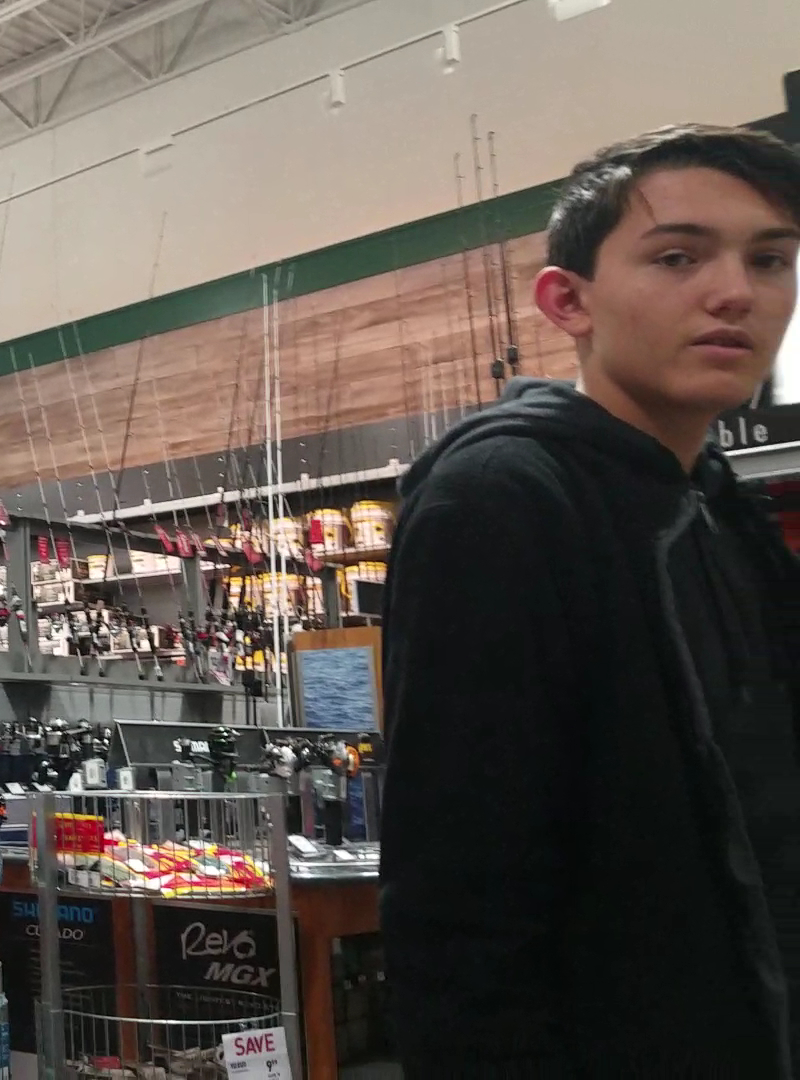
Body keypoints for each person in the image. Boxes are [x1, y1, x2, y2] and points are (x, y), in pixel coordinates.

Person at [379, 123, 800, 1077]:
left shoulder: (722, 508)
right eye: (678, 257)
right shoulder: (500, 500)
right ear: (569, 300)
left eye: (769, 260)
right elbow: (458, 890)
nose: (736, 291)